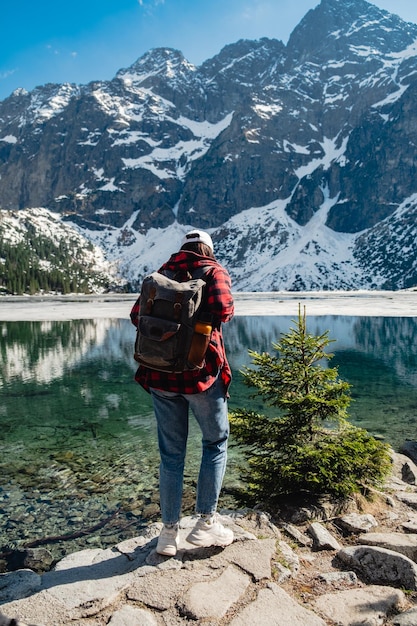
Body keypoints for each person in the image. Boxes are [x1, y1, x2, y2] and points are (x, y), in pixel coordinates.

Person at [130, 229, 235, 556]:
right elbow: (224, 310)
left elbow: (136, 316)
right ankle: (205, 524)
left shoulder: (162, 274)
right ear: (208, 249)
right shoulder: (213, 272)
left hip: (161, 375)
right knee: (215, 441)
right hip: (200, 375)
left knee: (171, 454)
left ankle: (168, 534)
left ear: (182, 248)